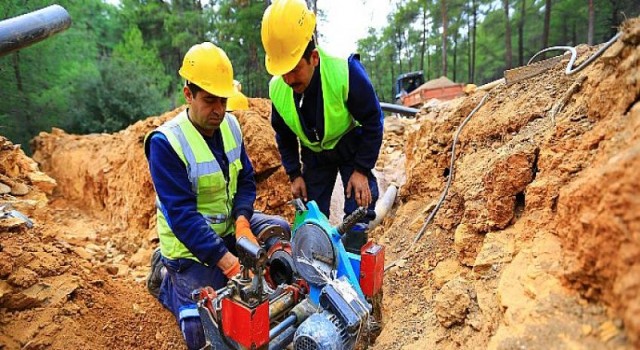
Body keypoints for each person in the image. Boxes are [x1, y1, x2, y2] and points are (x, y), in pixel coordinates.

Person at [144, 42, 290, 350]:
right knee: (203, 328)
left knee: (280, 231)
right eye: (210, 101)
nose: (219, 110)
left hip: (227, 230)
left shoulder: (231, 126)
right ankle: (166, 280)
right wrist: (231, 265)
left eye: (223, 101)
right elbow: (183, 219)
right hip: (189, 248)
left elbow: (246, 179)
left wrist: (242, 222)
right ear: (188, 94)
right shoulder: (166, 143)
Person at [260, 0, 383, 253]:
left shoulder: (345, 71)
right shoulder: (278, 89)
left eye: (294, 70)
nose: (288, 79)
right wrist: (294, 173)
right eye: (282, 71)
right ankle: (314, 263)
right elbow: (283, 135)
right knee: (311, 214)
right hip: (315, 155)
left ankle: (352, 260)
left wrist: (361, 169)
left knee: (359, 210)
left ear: (313, 58)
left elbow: (373, 120)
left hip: (350, 144)